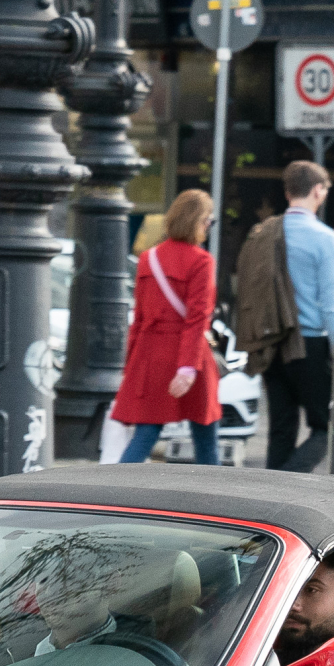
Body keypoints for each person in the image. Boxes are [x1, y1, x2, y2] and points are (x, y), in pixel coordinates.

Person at [111, 191, 223, 465]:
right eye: (208, 220)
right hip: (189, 355)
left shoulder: (149, 259)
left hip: (150, 357)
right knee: (206, 439)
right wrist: (187, 368)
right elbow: (197, 320)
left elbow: (138, 317)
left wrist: (131, 364)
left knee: (146, 434)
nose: (209, 226)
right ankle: (213, 501)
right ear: (198, 222)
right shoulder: (201, 261)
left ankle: (116, 494)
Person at [255, 162, 334, 472]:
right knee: (326, 429)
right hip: (309, 343)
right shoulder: (324, 238)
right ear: (318, 191)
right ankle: (290, 481)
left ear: (287, 191)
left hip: (272, 340)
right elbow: (331, 303)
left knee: (281, 429)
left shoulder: (265, 234)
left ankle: (271, 495)